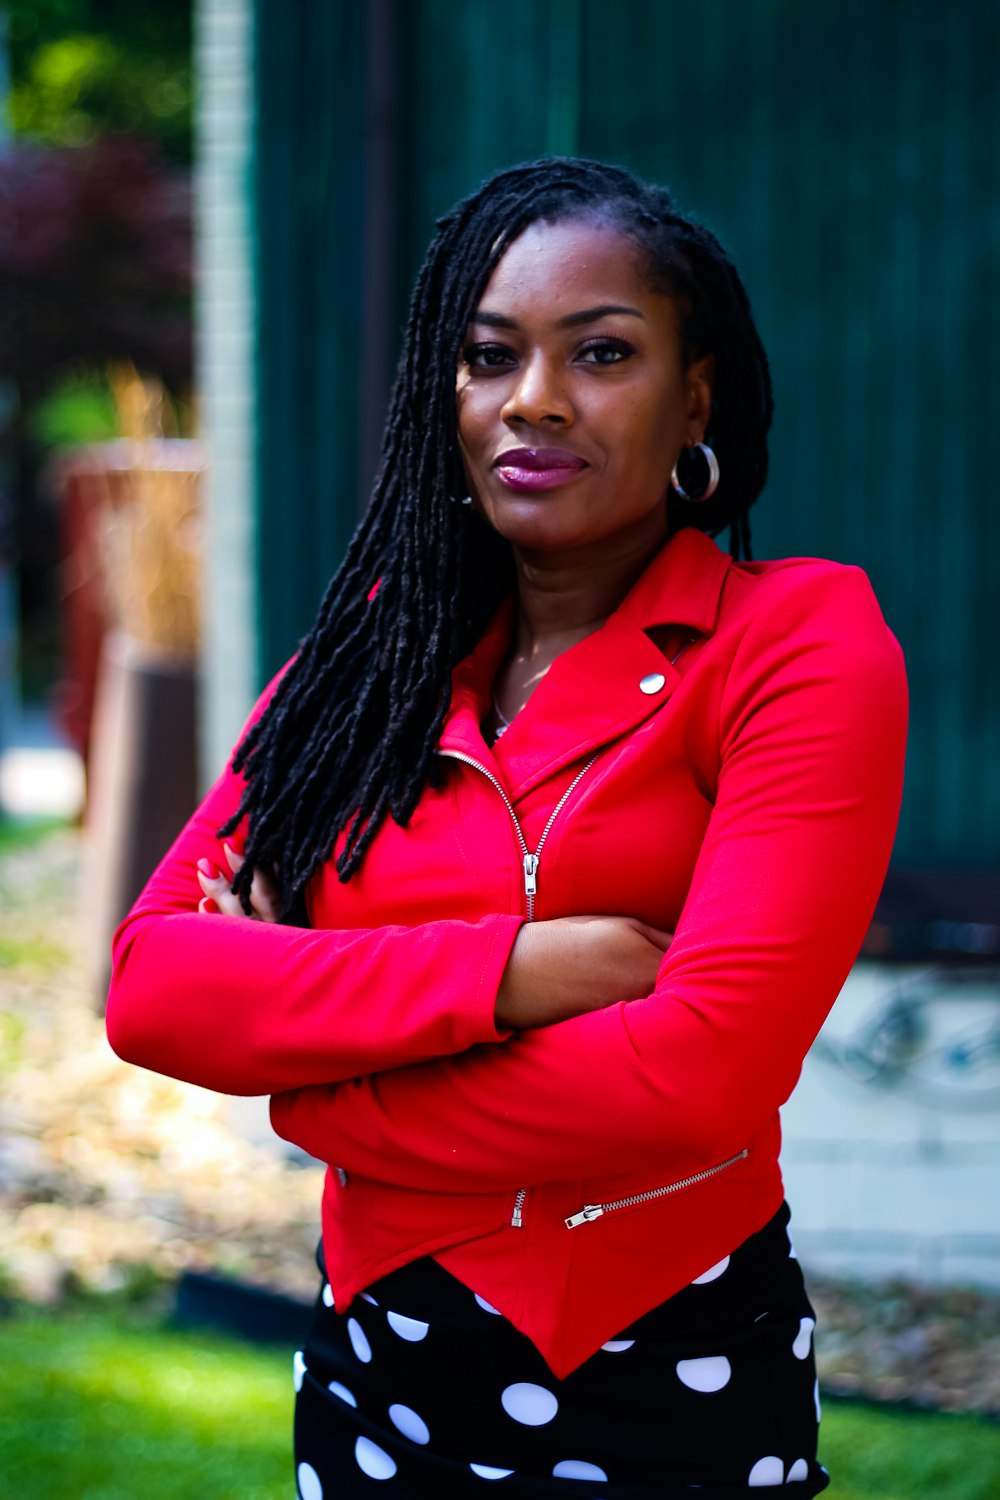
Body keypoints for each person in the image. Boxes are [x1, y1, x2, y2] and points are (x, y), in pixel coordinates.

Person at [106, 157, 907, 1497]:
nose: (534, 400)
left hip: (666, 1366)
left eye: (601, 353)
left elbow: (700, 1072)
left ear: (694, 397)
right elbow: (155, 988)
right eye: (491, 357)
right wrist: (515, 971)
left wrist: (316, 1086)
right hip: (375, 1363)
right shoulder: (369, 666)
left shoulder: (796, 645)